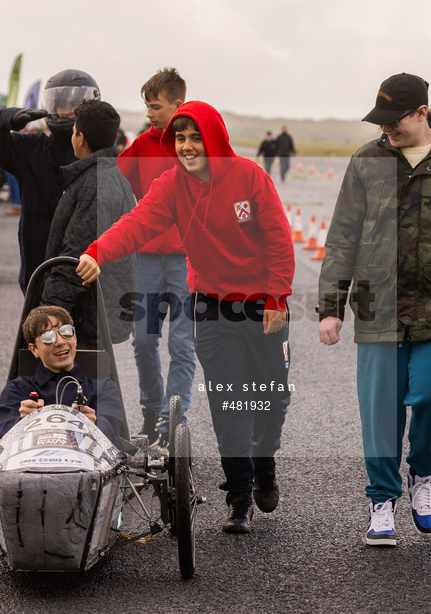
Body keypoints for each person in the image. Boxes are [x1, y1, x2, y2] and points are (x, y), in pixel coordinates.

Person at [77, 101, 294, 534]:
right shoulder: (172, 186)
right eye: (180, 138)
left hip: (263, 304)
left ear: (213, 138)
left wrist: (276, 296)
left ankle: (264, 459)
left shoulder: (250, 177)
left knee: (272, 398)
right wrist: (97, 252)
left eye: (195, 137)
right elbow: (136, 223)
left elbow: (278, 237)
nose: (187, 146)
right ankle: (239, 498)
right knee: (228, 401)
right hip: (212, 304)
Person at [317, 73, 431, 547]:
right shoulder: (367, 161)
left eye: (394, 120)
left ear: (421, 114)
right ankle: (381, 500)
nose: (386, 130)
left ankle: (423, 476)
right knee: (380, 412)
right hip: (378, 308)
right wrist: (330, 307)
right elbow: (342, 239)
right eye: (380, 121)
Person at [116, 67, 197, 447]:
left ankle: (170, 421)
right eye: (146, 106)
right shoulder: (139, 148)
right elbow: (120, 187)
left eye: (155, 106)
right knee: (144, 340)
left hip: (186, 261)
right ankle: (151, 407)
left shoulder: (194, 145)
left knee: (182, 344)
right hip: (146, 259)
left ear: (177, 105)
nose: (149, 113)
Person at [0, 69, 101, 293]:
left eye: (72, 106)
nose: (64, 112)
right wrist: (10, 117)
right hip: (38, 262)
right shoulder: (31, 149)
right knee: (39, 324)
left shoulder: (98, 153)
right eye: (59, 104)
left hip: (86, 262)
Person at [41, 99, 137, 348]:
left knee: (77, 384)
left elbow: (74, 258)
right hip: (99, 309)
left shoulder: (94, 183)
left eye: (74, 130)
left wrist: (48, 316)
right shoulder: (112, 175)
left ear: (80, 137)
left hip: (88, 314)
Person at [0, 306, 126, 445]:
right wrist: (22, 423)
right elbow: (1, 438)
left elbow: (112, 436)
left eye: (66, 332)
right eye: (48, 337)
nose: (60, 342)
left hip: (84, 464)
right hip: (32, 465)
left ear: (74, 338)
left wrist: (93, 425)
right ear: (34, 349)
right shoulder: (17, 389)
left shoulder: (103, 388)